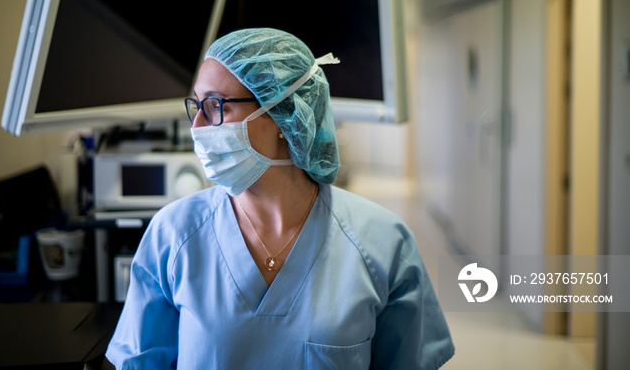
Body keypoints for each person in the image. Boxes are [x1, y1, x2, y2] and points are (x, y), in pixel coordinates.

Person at [105, 28, 455, 369]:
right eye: (195, 105)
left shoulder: (382, 243)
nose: (196, 126)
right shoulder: (174, 234)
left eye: (214, 105)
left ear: (284, 114)